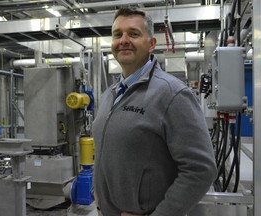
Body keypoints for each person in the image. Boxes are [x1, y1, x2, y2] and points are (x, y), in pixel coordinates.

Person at [92, 7, 217, 216]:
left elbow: (201, 169)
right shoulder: (109, 95)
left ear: (151, 44)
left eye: (133, 34)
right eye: (117, 34)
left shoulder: (172, 94)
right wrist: (99, 191)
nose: (123, 40)